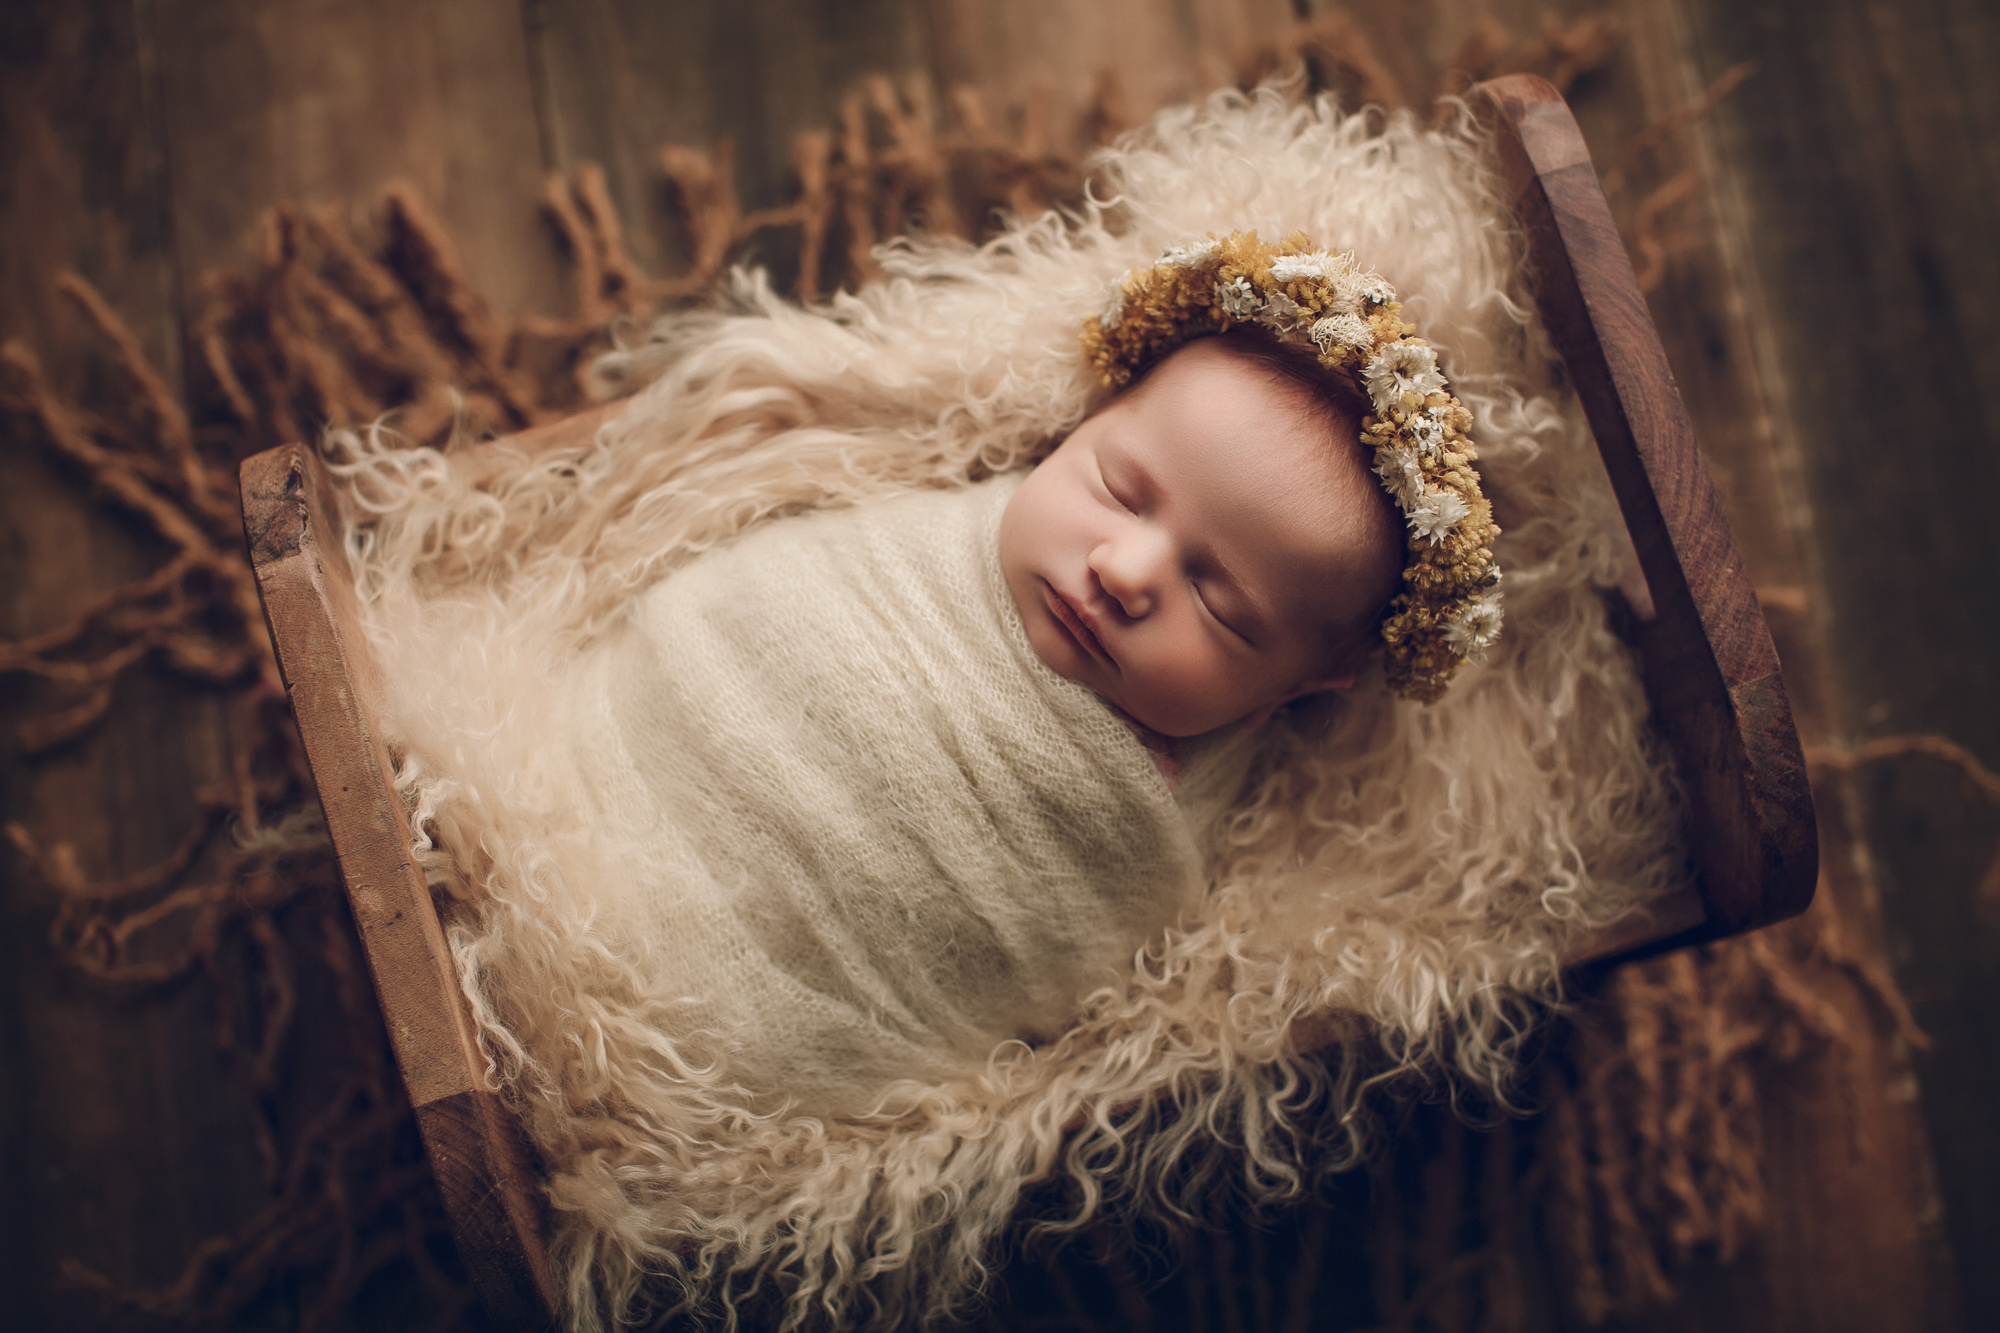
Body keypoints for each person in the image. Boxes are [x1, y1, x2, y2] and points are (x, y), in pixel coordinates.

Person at [332, 91, 1682, 1332]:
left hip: (725, 1024)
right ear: (1075, 426)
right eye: (1120, 486)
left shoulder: (1182, 814)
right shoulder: (928, 514)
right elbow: (751, 607)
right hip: (610, 755)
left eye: (1224, 604)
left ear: (1310, 684)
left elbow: (1049, 967)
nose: (1128, 571)